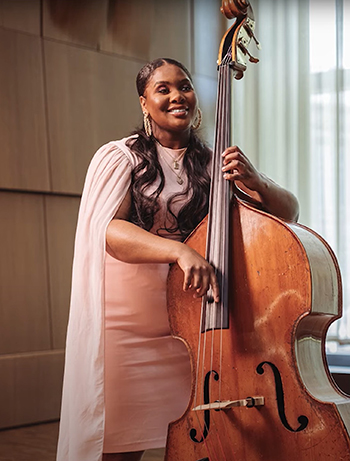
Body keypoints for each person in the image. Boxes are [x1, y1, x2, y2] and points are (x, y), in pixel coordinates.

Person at [56, 58, 299, 461]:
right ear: (144, 103)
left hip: (188, 325)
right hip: (125, 327)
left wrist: (256, 181)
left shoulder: (212, 162)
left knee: (195, 439)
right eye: (163, 89)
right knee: (120, 445)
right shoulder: (120, 156)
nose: (176, 96)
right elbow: (110, 234)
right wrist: (179, 250)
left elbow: (288, 212)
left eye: (183, 86)